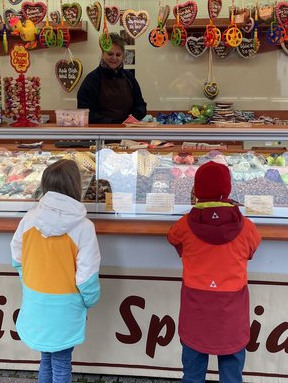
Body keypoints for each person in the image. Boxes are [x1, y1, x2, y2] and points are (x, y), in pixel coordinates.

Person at [167, 161, 262, 383]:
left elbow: (173, 239)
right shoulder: (247, 227)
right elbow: (252, 248)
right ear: (227, 189)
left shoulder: (184, 225)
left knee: (192, 374)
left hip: (196, 310)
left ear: (197, 191)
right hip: (231, 312)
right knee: (231, 374)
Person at [11, 159, 101, 383]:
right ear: (75, 186)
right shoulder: (84, 227)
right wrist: (89, 301)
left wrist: (29, 283)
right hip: (66, 307)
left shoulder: (29, 219)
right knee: (61, 362)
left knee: (46, 358)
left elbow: (17, 257)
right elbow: (87, 276)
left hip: (36, 301)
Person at [77, 33, 147, 123]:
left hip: (127, 131)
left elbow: (140, 104)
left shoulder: (129, 77)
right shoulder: (92, 79)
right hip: (101, 133)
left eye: (118, 55)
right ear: (102, 54)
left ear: (123, 57)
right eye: (110, 54)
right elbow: (84, 111)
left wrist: (135, 116)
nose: (114, 58)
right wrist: (112, 123)